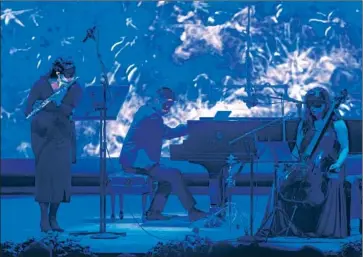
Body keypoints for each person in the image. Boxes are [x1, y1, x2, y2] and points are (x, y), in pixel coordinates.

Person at [257, 87, 349, 238]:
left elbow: (345, 148)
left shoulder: (338, 124)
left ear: (326, 105)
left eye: (318, 105)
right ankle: (283, 225)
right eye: (311, 105)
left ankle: (322, 228)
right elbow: (297, 149)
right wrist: (290, 165)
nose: (314, 109)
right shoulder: (304, 124)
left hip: (327, 165)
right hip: (306, 165)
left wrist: (338, 164)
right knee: (280, 181)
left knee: (331, 182)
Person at [119, 87, 208, 221]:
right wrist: (192, 127)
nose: (169, 108)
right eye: (166, 104)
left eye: (171, 105)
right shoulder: (151, 116)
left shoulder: (146, 111)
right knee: (175, 174)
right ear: (156, 100)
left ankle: (154, 212)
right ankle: (192, 211)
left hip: (136, 161)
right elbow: (168, 133)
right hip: (136, 163)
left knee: (168, 178)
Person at [24, 57, 83, 232]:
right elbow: (27, 109)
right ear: (58, 72)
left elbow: (75, 108)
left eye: (73, 73)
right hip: (44, 135)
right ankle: (43, 219)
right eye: (68, 74)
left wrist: (64, 106)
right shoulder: (41, 85)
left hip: (63, 134)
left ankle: (53, 218)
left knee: (60, 178)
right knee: (45, 177)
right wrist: (42, 108)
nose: (71, 77)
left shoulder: (74, 87)